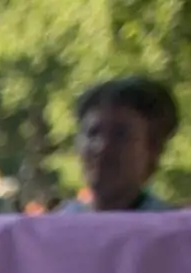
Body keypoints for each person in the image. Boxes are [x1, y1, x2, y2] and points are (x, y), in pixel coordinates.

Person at [64, 76, 178, 212]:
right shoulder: (56, 227)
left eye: (120, 135)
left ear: (153, 149)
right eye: (93, 133)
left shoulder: (169, 228)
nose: (102, 147)